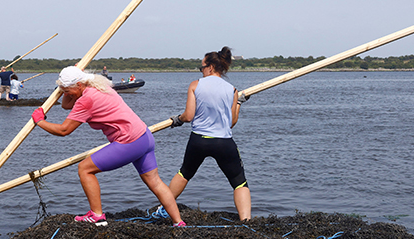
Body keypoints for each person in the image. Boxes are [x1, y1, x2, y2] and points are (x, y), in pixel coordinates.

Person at [31, 66, 186, 227]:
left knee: (85, 169)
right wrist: (66, 86)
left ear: (79, 85)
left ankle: (97, 215)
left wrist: (39, 121)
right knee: (155, 182)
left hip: (130, 141)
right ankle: (178, 222)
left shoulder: (86, 100)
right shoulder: (99, 85)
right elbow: (66, 105)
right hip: (144, 137)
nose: (66, 94)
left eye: (68, 90)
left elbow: (64, 130)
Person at [162, 46, 252, 220]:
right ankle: (246, 221)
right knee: (239, 182)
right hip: (224, 142)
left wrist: (177, 119)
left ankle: (164, 208)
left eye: (202, 67)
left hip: (199, 141)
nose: (201, 70)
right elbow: (231, 123)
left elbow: (188, 116)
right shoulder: (232, 90)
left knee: (184, 173)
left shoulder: (196, 85)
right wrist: (239, 102)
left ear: (210, 67)